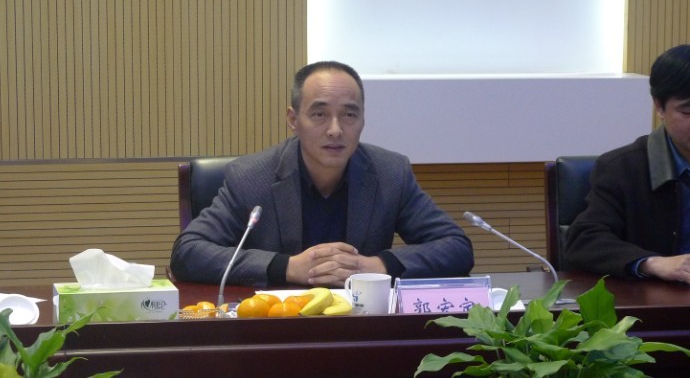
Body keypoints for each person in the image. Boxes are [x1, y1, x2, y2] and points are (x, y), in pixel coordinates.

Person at [170, 61, 474, 288]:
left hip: (362, 328)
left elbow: (456, 247)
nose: (335, 130)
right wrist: (287, 267)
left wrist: (375, 266)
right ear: (293, 119)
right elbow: (188, 252)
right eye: (319, 114)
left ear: (363, 120)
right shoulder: (251, 177)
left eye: (349, 114)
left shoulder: (389, 173)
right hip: (278, 330)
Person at [564, 43, 690, 289]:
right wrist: (652, 263)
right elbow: (584, 241)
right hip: (659, 302)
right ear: (659, 107)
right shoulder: (622, 168)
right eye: (687, 111)